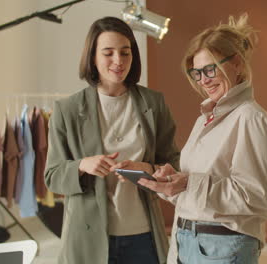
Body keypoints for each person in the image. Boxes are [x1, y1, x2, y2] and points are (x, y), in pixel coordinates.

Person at [138, 13, 267, 264]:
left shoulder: (250, 119)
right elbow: (197, 191)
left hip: (222, 246)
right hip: (186, 240)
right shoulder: (205, 120)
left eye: (210, 69)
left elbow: (256, 198)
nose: (203, 80)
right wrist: (168, 184)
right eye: (197, 73)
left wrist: (188, 183)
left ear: (237, 63)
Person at [44, 16, 180, 264]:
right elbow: (52, 177)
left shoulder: (154, 103)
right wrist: (82, 165)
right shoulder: (68, 110)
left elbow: (174, 165)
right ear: (93, 57)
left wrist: (148, 169)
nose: (118, 61)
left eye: (125, 53)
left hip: (144, 235)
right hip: (88, 237)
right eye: (108, 53)